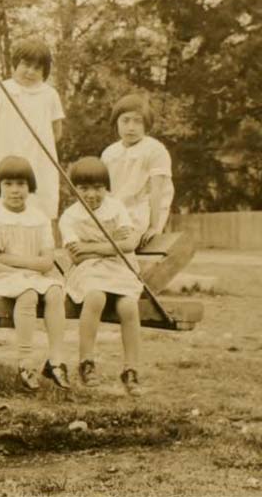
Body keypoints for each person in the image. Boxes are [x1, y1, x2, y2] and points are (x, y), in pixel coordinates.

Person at [58, 156, 143, 396]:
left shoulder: (116, 208)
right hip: (88, 270)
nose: (92, 194)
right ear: (74, 189)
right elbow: (76, 257)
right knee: (95, 296)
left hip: (119, 268)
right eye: (84, 188)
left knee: (128, 306)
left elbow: (129, 244)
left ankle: (131, 369)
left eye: (98, 187)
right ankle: (86, 362)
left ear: (107, 188)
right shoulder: (70, 217)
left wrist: (90, 247)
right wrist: (110, 245)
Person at [0, 156, 70, 391]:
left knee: (55, 291)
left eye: (21, 184)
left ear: (30, 186)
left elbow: (47, 263)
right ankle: (25, 361)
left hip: (32, 275)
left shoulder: (39, 218)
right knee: (29, 293)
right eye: (8, 184)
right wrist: (19, 270)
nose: (15, 190)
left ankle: (55, 360)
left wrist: (11, 260)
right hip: (2, 277)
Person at [0, 38, 65, 220]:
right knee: (0, 205)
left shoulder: (49, 95)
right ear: (16, 64)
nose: (30, 72)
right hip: (2, 153)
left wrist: (38, 146)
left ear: (44, 71)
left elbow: (57, 132)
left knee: (38, 204)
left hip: (38, 158)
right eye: (26, 65)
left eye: (37, 68)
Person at [101, 93, 174, 248]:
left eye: (138, 121)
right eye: (125, 120)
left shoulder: (155, 150)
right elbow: (105, 191)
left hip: (144, 210)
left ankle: (96, 250)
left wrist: (154, 227)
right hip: (116, 209)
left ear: (146, 124)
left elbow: (157, 192)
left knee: (125, 241)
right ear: (116, 122)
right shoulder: (109, 153)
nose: (131, 127)